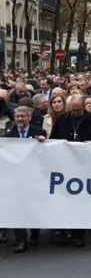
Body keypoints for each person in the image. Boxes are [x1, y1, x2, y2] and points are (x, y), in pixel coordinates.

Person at [49, 95, 91, 247]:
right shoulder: (62, 120)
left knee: (82, 200)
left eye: (78, 111)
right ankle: (68, 228)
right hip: (65, 165)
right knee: (67, 199)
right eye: (72, 110)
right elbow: (53, 139)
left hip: (86, 166)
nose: (75, 113)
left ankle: (79, 233)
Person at [1, 106, 47, 253]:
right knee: (18, 209)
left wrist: (43, 142)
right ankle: (21, 241)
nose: (20, 119)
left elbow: (48, 153)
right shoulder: (8, 136)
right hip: (16, 179)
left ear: (29, 117)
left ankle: (35, 233)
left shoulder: (39, 133)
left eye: (22, 116)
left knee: (34, 207)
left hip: (35, 177)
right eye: (17, 116)